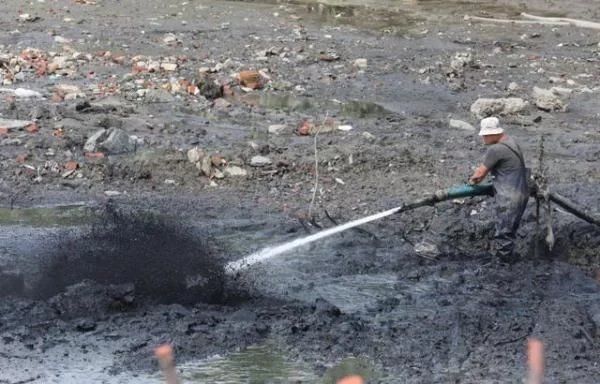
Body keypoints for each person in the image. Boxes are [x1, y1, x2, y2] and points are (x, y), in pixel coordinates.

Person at [469, 117, 529, 262]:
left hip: (508, 196)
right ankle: (507, 259)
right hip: (521, 191)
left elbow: (479, 175)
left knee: (504, 232)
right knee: (509, 229)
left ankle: (503, 264)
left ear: (493, 134)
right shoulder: (512, 142)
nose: (483, 139)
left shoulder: (496, 150)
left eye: (485, 135)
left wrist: (471, 182)